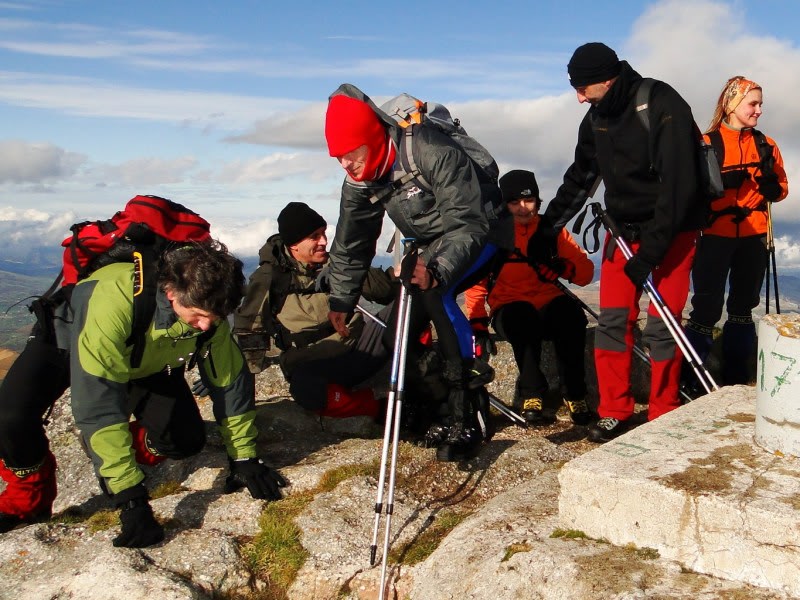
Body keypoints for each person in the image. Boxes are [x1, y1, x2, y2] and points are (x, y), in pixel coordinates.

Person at [0, 240, 287, 546]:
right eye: (198, 316)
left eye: (213, 318)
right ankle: (28, 500)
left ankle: (117, 446)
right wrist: (131, 499)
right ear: (171, 292)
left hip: (144, 357)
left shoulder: (210, 311)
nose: (205, 326)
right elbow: (97, 404)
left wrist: (243, 458)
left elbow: (230, 381)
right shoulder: (115, 301)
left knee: (184, 440)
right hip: (66, 341)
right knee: (11, 418)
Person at [531, 42, 707, 443]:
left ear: (606, 80)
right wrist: (547, 228)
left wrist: (653, 252)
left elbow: (680, 188)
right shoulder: (596, 117)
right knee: (612, 321)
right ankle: (614, 410)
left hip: (672, 235)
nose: (578, 98)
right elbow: (580, 178)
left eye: (583, 88)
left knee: (664, 325)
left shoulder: (662, 104)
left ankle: (663, 411)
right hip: (621, 232)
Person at [323, 83, 499, 461]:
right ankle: (435, 409)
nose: (346, 164)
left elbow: (467, 223)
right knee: (397, 335)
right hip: (431, 243)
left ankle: (467, 417)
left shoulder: (429, 149)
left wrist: (436, 269)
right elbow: (352, 241)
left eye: (351, 153)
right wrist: (342, 297)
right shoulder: (361, 178)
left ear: (371, 138)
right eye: (337, 157)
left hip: (483, 229)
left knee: (437, 294)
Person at [233, 201, 397, 419]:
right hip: (310, 362)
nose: (324, 241)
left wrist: (359, 265)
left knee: (406, 308)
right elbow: (249, 327)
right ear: (294, 244)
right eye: (314, 236)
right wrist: (236, 381)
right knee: (306, 389)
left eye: (323, 233)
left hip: (359, 348)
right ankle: (377, 409)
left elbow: (384, 291)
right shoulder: (271, 278)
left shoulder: (336, 265)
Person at [464, 169, 596, 426]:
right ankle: (532, 393)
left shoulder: (552, 231)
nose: (523, 208)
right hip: (509, 307)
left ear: (538, 200)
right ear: (505, 204)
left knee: (570, 316)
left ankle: (575, 394)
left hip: (548, 302)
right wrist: (477, 318)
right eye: (514, 202)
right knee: (521, 318)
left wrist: (563, 268)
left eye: (529, 200)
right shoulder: (496, 234)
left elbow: (585, 273)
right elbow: (477, 281)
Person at [684, 76, 788, 388]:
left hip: (755, 236)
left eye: (760, 104)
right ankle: (692, 378)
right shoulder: (706, 143)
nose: (758, 111)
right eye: (752, 103)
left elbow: (781, 188)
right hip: (714, 235)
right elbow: (689, 190)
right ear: (731, 104)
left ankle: (736, 378)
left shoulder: (766, 145)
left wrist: (773, 188)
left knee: (743, 307)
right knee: (706, 307)